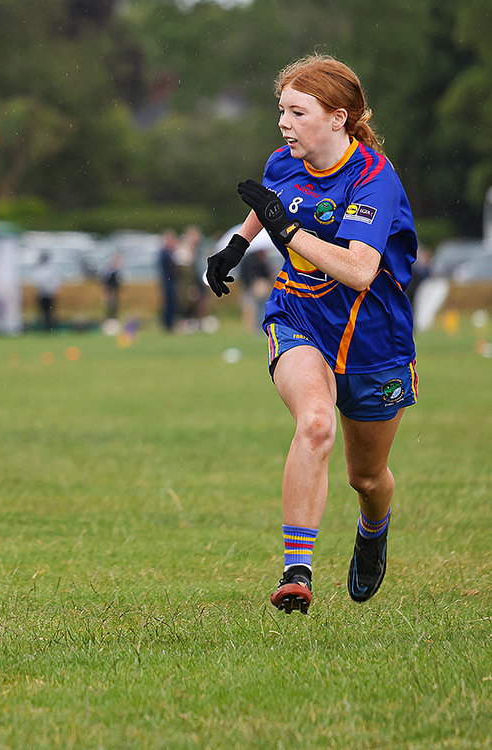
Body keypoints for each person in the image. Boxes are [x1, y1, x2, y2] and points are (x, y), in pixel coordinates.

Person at [205, 54, 418, 614]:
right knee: (316, 423)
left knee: (367, 478)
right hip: (300, 318)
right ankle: (296, 571)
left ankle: (374, 531)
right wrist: (236, 244)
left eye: (297, 113)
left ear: (338, 118)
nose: (284, 123)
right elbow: (269, 203)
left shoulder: (375, 178)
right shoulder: (285, 159)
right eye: (282, 111)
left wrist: (288, 230)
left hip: (377, 344)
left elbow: (358, 270)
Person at [33, 253, 61, 331]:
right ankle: (44, 327)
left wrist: (52, 289)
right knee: (43, 311)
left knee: (50, 311)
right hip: (42, 293)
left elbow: (56, 281)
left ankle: (51, 327)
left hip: (49, 293)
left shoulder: (50, 270)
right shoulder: (40, 270)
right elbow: (37, 282)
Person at [158, 228, 178, 332]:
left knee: (171, 304)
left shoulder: (168, 252)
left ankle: (170, 324)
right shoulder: (165, 253)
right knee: (168, 304)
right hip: (167, 282)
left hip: (170, 282)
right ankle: (167, 324)